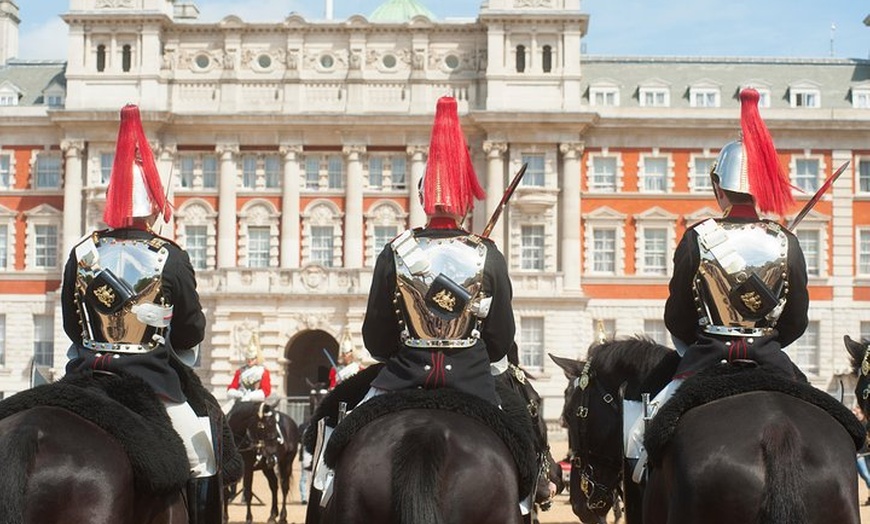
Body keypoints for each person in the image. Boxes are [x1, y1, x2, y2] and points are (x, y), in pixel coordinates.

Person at [624, 87, 809, 482]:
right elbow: (796, 321)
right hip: (771, 359)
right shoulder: (785, 242)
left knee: (642, 439)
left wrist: (706, 339)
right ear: (760, 186)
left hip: (705, 358)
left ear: (717, 186)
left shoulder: (697, 237)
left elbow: (676, 316)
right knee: (826, 414)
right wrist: (764, 338)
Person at [61, 104, 221, 524]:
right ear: (152, 207)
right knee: (203, 455)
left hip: (85, 375)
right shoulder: (167, 255)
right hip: (151, 380)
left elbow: (70, 325)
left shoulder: (83, 252)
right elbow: (190, 329)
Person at [359, 95, 515, 406]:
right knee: (526, 441)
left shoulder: (395, 252)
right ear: (468, 201)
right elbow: (500, 340)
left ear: (421, 198)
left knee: (337, 435)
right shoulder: (487, 254)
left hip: (402, 379)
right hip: (474, 383)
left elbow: (375, 337)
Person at [227, 332, 272, 402]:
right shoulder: (240, 371)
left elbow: (266, 391)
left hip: (256, 400)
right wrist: (238, 394)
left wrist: (250, 396)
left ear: (256, 359)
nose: (250, 361)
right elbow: (232, 387)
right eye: (248, 359)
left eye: (252, 359)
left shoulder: (263, 371)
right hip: (241, 398)